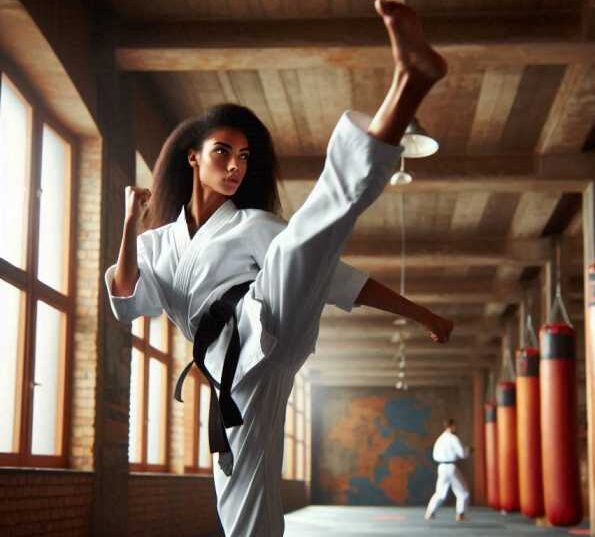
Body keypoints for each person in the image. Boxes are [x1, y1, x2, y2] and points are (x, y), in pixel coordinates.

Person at [105, 1, 450, 536]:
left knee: (308, 234)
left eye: (244, 156)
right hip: (229, 374)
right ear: (192, 158)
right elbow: (127, 297)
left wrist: (422, 314)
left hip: (265, 319)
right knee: (240, 507)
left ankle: (407, 84)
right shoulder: (155, 244)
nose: (236, 166)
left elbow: (338, 276)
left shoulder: (254, 226)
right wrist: (129, 222)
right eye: (223, 152)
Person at [425, 418, 471, 522]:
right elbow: (462, 453)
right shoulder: (453, 438)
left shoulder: (440, 439)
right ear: (452, 426)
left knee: (440, 492)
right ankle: (460, 514)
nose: (456, 428)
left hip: (441, 467)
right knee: (463, 492)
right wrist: (468, 450)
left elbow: (434, 455)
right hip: (451, 467)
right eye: (455, 426)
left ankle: (430, 512)